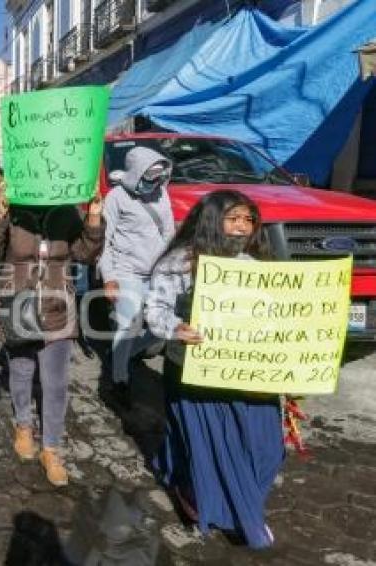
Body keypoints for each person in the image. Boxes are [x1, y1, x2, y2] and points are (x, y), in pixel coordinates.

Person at [144, 189, 282, 549]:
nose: (241, 227)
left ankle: (238, 503)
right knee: (209, 447)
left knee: (265, 446)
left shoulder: (258, 267)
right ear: (211, 221)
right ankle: (237, 514)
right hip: (195, 374)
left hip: (248, 375)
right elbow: (155, 311)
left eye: (248, 220)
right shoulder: (178, 263)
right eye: (233, 218)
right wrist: (176, 329)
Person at [0, 191, 105, 486]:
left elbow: (85, 254)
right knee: (21, 371)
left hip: (57, 307)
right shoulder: (13, 210)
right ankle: (23, 425)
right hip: (17, 307)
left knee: (55, 382)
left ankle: (51, 448)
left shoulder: (68, 212)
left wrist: (94, 218)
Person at [99, 147, 176, 405]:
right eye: (148, 176)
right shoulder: (116, 198)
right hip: (126, 272)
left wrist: (173, 268)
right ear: (136, 173)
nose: (153, 183)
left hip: (156, 275)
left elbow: (168, 233)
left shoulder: (161, 194)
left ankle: (122, 353)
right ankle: (120, 380)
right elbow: (104, 242)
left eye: (157, 177)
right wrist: (109, 277)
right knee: (127, 327)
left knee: (163, 328)